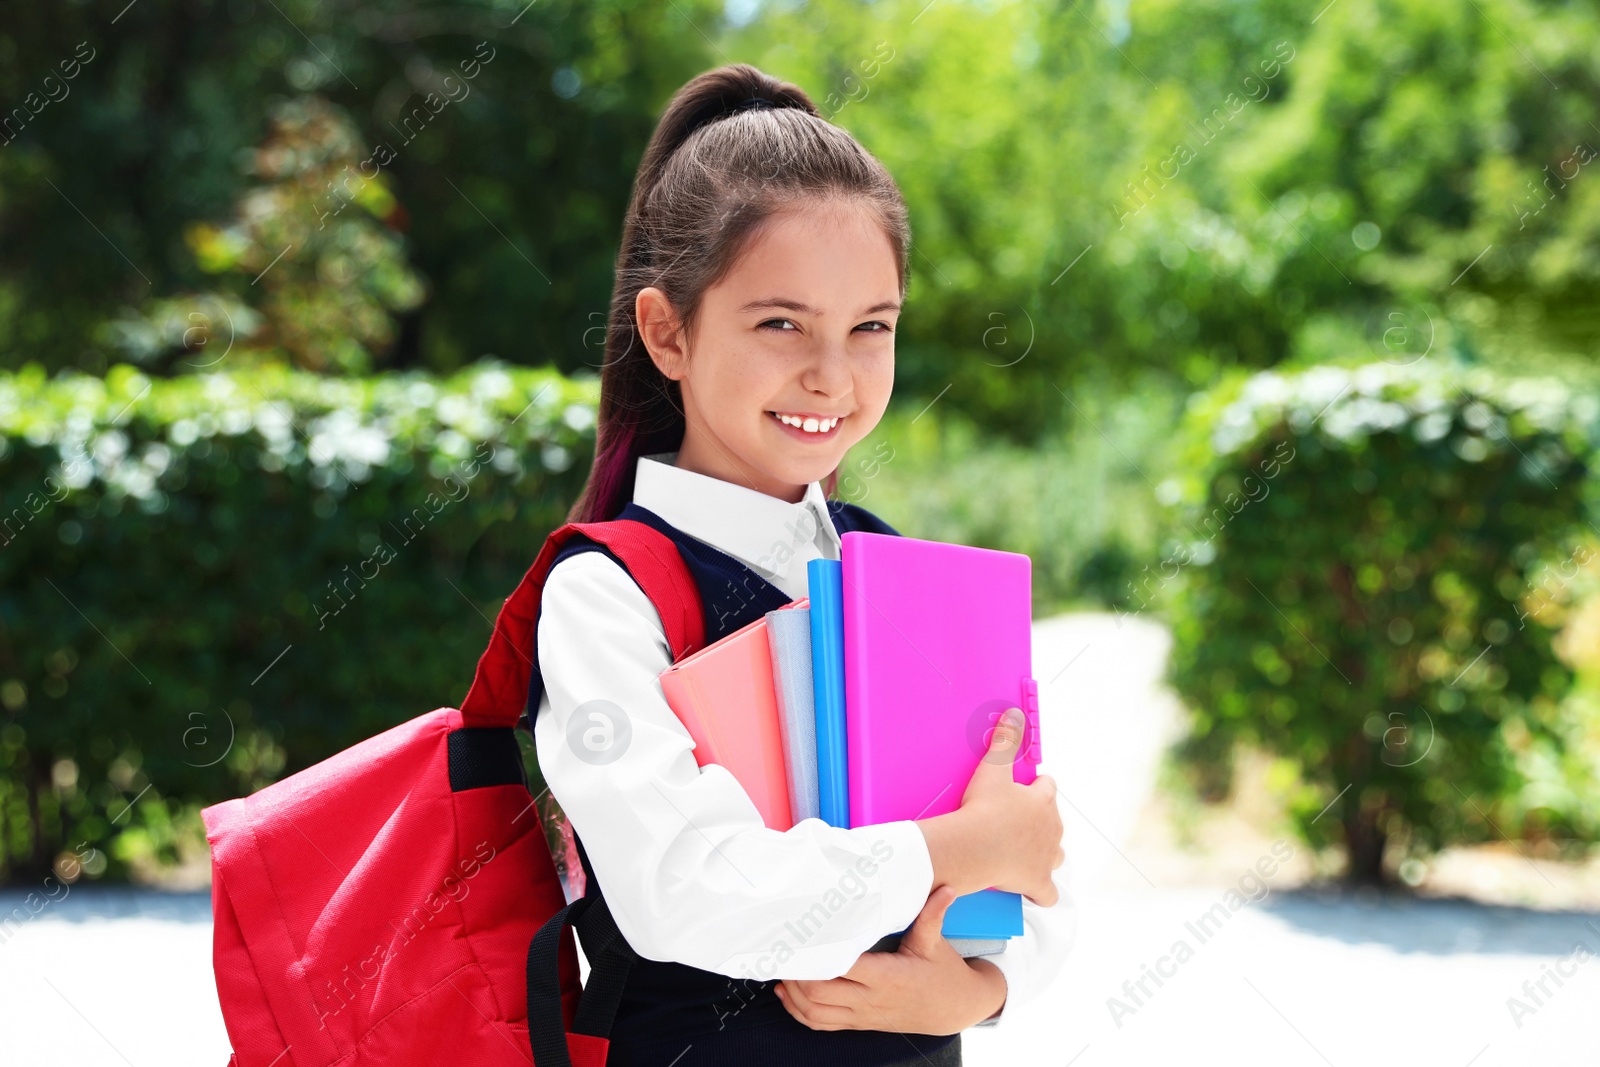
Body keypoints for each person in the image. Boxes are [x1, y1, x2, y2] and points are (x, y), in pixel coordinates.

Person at [527, 62, 1071, 1067]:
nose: (831, 373)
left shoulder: (914, 575)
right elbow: (684, 892)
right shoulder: (607, 593)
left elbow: (1034, 865)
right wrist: (947, 851)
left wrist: (978, 987)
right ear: (666, 331)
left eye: (871, 327)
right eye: (780, 322)